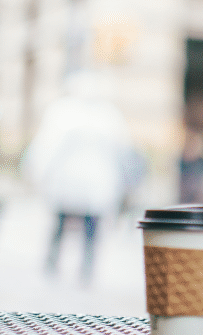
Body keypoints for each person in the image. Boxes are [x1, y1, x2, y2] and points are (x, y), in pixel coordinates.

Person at [21, 73, 144, 284]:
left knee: (63, 226)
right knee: (85, 229)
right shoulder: (107, 115)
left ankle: (58, 265)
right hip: (91, 185)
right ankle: (81, 268)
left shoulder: (65, 112)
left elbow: (46, 148)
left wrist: (37, 174)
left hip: (73, 184)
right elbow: (124, 151)